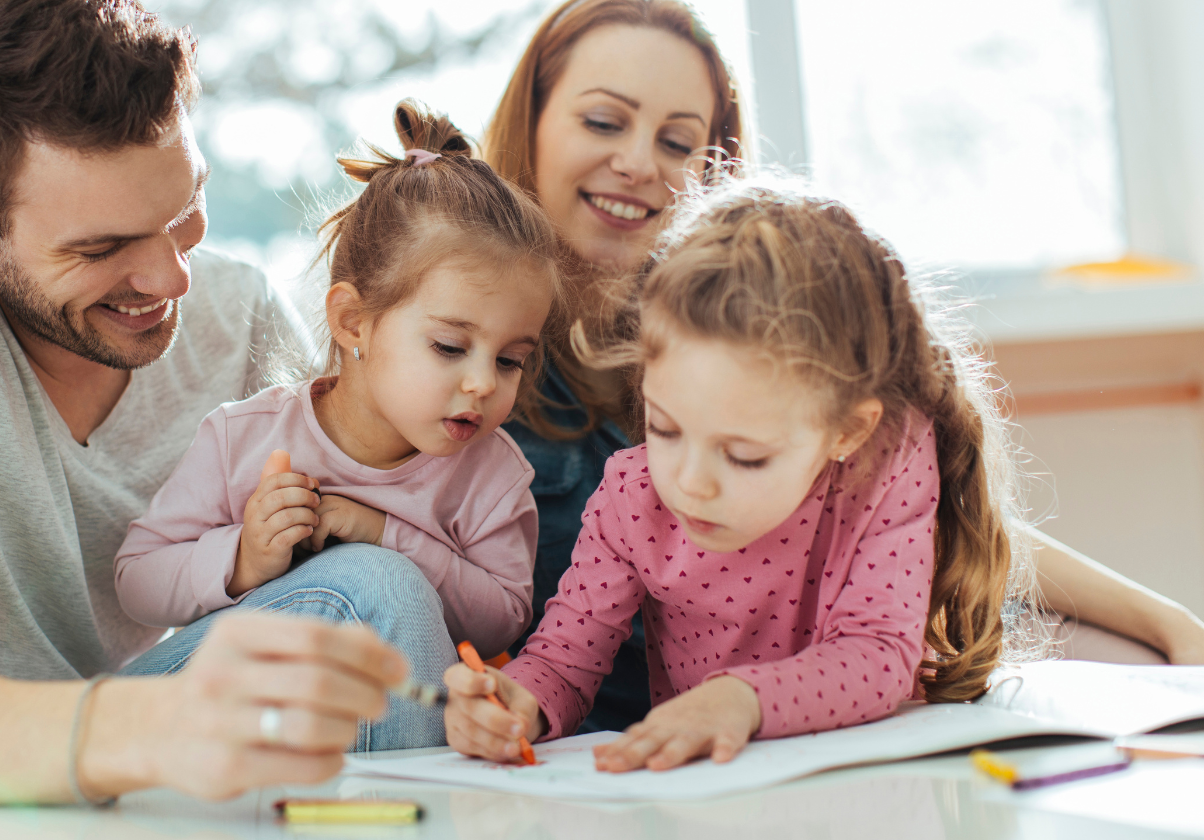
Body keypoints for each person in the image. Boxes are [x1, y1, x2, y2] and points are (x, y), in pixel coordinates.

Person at [0, 3, 446, 838]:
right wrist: (157, 728)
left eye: (183, 216)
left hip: (147, 791)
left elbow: (366, 569)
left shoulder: (237, 314)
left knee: (378, 590)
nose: (171, 279)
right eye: (101, 250)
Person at [483, 0, 1204, 733]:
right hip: (648, 731)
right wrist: (522, 702)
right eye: (604, 121)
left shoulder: (799, 351)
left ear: (714, 169)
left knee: (1141, 668)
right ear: (531, 123)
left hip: (832, 706)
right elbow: (560, 654)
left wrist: (1169, 620)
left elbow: (951, 525)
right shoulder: (474, 359)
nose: (638, 163)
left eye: (677, 140)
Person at [445, 181, 1040, 768]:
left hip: (870, 785)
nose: (691, 483)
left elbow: (879, 655)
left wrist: (740, 699)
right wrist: (515, 704)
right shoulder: (633, 493)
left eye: (745, 456)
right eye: (667, 430)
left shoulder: (886, 465)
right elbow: (561, 664)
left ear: (847, 432)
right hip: (715, 798)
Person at [113, 102, 562, 707]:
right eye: (450, 346)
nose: (484, 383)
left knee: (386, 587)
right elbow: (136, 583)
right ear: (354, 322)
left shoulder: (494, 472)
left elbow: (503, 622)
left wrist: (384, 535)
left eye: (510, 360)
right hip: (229, 717)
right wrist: (243, 558)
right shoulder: (243, 438)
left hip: (374, 728)